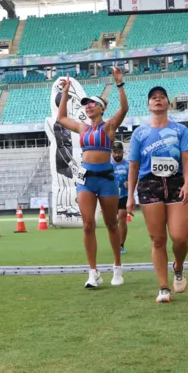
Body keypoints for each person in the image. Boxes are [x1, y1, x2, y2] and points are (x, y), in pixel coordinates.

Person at [57, 67, 128, 288]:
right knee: (88, 225)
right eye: (85, 103)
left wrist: (119, 84)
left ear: (102, 108)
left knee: (111, 224)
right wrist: (66, 93)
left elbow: (124, 108)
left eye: (91, 103)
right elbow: (60, 118)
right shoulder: (82, 127)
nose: (87, 106)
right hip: (86, 180)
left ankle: (117, 267)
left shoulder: (109, 126)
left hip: (106, 179)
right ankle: (93, 272)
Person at [127, 86, 188, 303]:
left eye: (162, 98)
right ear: (148, 104)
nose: (158, 101)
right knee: (157, 239)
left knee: (180, 236)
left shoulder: (180, 130)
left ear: (167, 103)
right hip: (149, 185)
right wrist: (129, 196)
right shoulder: (140, 133)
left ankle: (179, 266)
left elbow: (186, 159)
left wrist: (186, 183)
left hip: (175, 183)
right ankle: (164, 288)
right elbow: (134, 166)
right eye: (153, 98)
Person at [112, 141, 130, 254]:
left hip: (123, 195)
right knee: (112, 221)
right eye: (115, 152)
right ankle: (114, 242)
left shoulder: (127, 165)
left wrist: (130, 183)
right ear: (112, 153)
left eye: (119, 152)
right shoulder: (108, 164)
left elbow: (133, 178)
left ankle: (121, 244)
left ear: (122, 152)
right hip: (110, 196)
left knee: (122, 218)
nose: (117, 154)